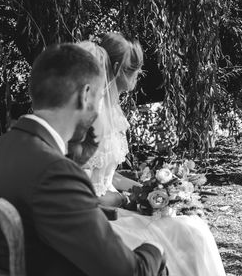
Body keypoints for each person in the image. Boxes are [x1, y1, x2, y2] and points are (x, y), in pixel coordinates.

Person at [0, 43, 167, 276]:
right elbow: (127, 272)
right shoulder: (55, 174)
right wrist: (157, 247)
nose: (100, 106)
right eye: (101, 95)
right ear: (85, 96)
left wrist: (74, 162)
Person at [76, 33, 227, 276]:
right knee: (184, 235)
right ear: (117, 69)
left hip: (113, 202)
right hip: (99, 215)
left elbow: (109, 176)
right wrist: (126, 201)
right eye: (135, 71)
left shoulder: (111, 110)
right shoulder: (92, 117)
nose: (139, 76)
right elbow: (84, 189)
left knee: (193, 227)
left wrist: (149, 190)